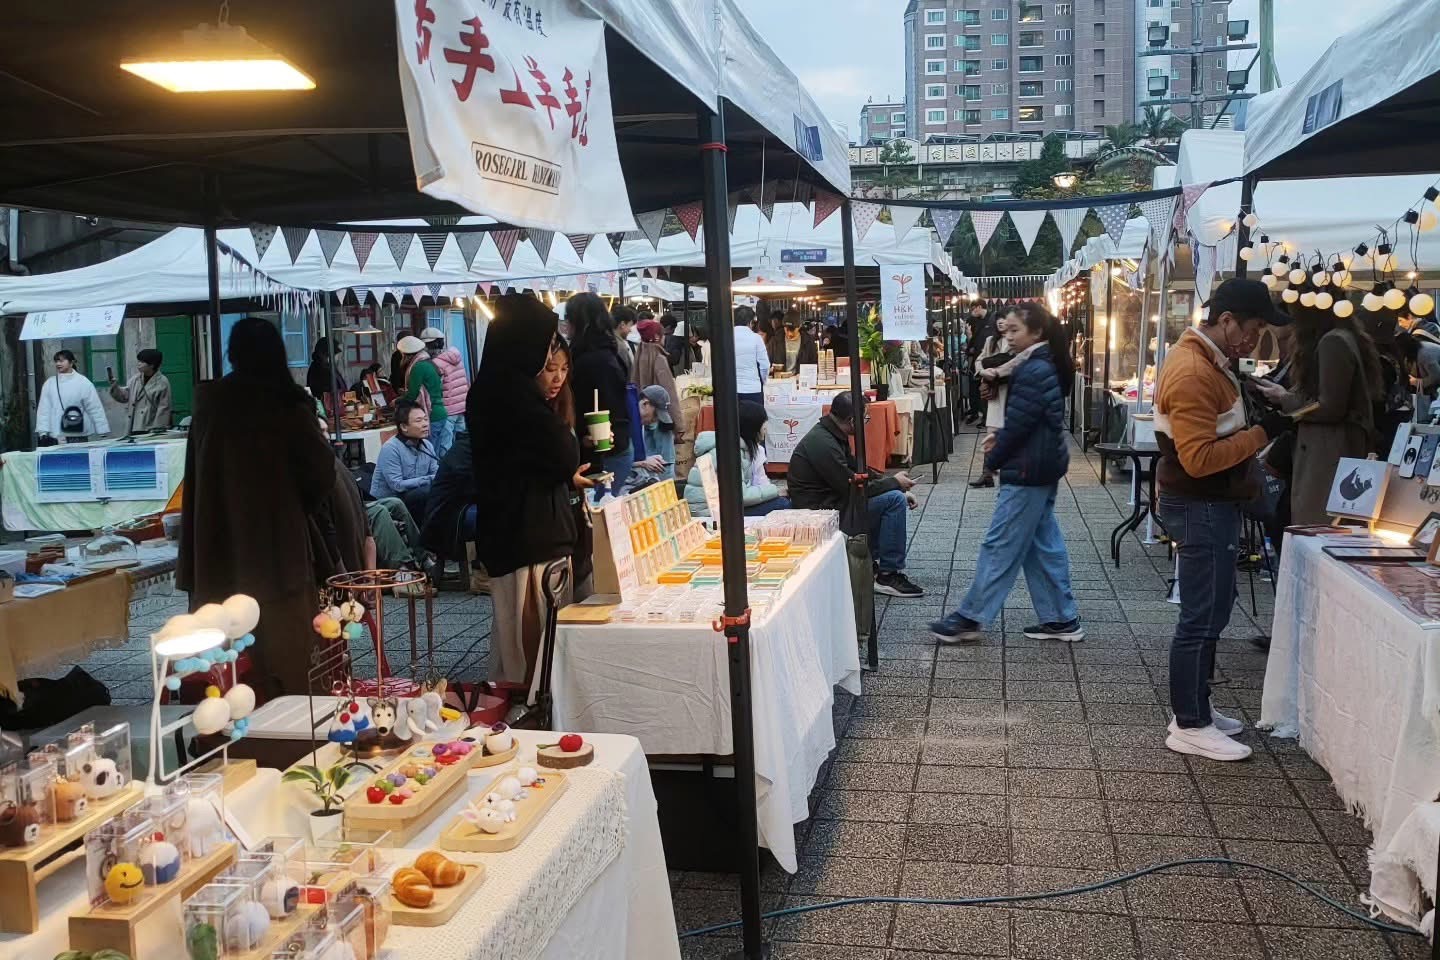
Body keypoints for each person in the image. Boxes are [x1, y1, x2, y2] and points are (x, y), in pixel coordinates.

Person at [1152, 278, 1291, 762]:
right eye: (1253, 330)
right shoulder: (1195, 370)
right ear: (1227, 321)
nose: (1255, 341)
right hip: (1201, 503)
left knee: (1212, 608)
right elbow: (1199, 459)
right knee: (1201, 615)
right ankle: (1190, 722)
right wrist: (1261, 433)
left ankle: (1197, 708)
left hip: (1208, 503)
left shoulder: (1207, 361)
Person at [178, 317, 339, 696]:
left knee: (227, 663)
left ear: (233, 354)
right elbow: (320, 473)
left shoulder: (210, 405)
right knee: (285, 659)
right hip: (277, 552)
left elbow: (197, 476)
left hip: (217, 549)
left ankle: (229, 722)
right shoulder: (286, 403)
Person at [930, 303, 1083, 645]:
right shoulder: (1040, 363)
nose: (1009, 336)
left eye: (1015, 330)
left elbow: (1020, 425)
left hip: (1028, 467)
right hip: (1041, 464)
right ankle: (1061, 618)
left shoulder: (1034, 368)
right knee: (1041, 546)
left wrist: (995, 457)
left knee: (1000, 544)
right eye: (1006, 330)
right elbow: (1028, 420)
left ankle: (971, 616)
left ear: (1036, 332)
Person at [467, 295, 582, 695]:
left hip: (518, 533)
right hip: (525, 537)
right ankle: (527, 706)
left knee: (517, 637)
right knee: (529, 642)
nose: (548, 357)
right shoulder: (511, 394)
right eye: (545, 344)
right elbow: (562, 453)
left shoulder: (496, 388)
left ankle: (519, 700)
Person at [1250, 292, 1380, 525]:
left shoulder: (1332, 342)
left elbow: (1331, 406)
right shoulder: (1341, 338)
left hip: (1327, 453)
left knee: (1320, 525)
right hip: (1330, 450)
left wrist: (1285, 399)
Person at [789, 391, 923, 597]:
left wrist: (893, 483)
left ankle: (872, 563)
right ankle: (887, 575)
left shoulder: (830, 434)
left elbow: (859, 473)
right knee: (894, 501)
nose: (866, 422)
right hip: (822, 511)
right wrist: (894, 484)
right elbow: (853, 486)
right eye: (865, 418)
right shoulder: (823, 443)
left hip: (836, 501)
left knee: (894, 496)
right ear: (852, 421)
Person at [567, 293, 633, 494]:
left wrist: (586, 437)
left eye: (569, 319)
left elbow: (605, 406)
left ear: (580, 322)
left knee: (599, 508)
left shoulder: (593, 359)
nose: (566, 325)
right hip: (612, 447)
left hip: (604, 454)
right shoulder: (610, 351)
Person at [683, 401, 789, 517]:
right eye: (764, 426)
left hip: (720, 507)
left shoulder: (734, 447)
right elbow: (741, 497)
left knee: (779, 501)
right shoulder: (729, 453)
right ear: (752, 427)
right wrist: (775, 490)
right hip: (709, 513)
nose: (766, 431)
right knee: (781, 504)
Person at [371, 399, 440, 522]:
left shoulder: (427, 445)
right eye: (418, 421)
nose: (425, 424)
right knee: (426, 492)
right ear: (403, 427)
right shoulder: (391, 448)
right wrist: (429, 479)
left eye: (425, 419)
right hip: (390, 503)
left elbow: (436, 473)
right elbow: (397, 485)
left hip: (414, 497)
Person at [969, 311, 1016, 488]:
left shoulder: (1018, 341)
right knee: (992, 431)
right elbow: (979, 360)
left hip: (1012, 391)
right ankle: (987, 474)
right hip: (995, 391)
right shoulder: (991, 341)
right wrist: (983, 371)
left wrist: (996, 369)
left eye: (1004, 319)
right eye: (998, 320)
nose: (1001, 323)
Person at [36, 350, 109, 444]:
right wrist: (43, 431)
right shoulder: (50, 383)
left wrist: (102, 429)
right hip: (57, 434)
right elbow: (44, 409)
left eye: (62, 361)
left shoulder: (83, 382)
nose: (58, 364)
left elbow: (94, 407)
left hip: (78, 433)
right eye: (56, 361)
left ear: (71, 362)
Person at [398, 334, 451, 458]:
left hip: (431, 415)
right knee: (437, 455)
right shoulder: (428, 363)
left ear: (407, 354)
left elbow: (412, 394)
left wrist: (397, 402)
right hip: (441, 413)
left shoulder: (418, 367)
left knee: (429, 455)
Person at [632, 319, 683, 438]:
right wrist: (679, 424)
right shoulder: (659, 358)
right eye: (662, 334)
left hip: (642, 417)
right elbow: (669, 393)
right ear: (657, 337)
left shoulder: (639, 354)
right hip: (660, 420)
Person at [423, 327, 469, 457]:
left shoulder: (436, 363)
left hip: (448, 409)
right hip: (461, 407)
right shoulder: (456, 356)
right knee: (460, 444)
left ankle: (446, 468)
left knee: (445, 448)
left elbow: (436, 387)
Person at [110, 348, 172, 434]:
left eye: (142, 362)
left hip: (150, 425)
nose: (139, 364)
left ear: (152, 365)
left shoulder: (162, 381)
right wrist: (115, 387)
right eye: (138, 361)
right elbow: (124, 397)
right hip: (134, 424)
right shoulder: (135, 379)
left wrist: (157, 429)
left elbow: (164, 408)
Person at [632, 385, 678, 481]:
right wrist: (642, 462)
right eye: (656, 414)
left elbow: (667, 465)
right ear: (645, 404)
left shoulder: (649, 424)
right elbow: (614, 462)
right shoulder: (624, 420)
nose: (656, 419)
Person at [731, 305, 770, 406]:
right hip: (753, 389)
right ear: (750, 322)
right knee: (754, 415)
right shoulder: (756, 338)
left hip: (731, 390)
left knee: (734, 417)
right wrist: (762, 381)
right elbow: (765, 365)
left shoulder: (726, 337)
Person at [964, 300, 994, 424]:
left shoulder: (993, 319)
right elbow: (973, 340)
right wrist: (969, 338)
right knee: (973, 386)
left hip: (988, 359)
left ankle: (986, 416)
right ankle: (974, 412)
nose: (971, 312)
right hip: (976, 357)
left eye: (972, 309)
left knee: (985, 387)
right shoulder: (974, 321)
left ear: (979, 307)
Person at [770, 309, 819, 374]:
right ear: (783, 326)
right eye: (787, 329)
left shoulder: (808, 342)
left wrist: (804, 375)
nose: (790, 333)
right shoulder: (775, 341)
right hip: (780, 379)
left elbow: (813, 365)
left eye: (793, 330)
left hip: (801, 379)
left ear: (799, 326)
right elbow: (767, 362)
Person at [306, 337, 346, 414]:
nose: (337, 358)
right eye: (335, 354)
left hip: (336, 409)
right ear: (324, 354)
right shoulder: (317, 369)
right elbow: (321, 393)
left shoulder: (330, 367)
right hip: (325, 411)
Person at [612, 305, 639, 379]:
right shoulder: (620, 346)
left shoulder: (608, 340)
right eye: (630, 325)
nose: (630, 330)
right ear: (622, 325)